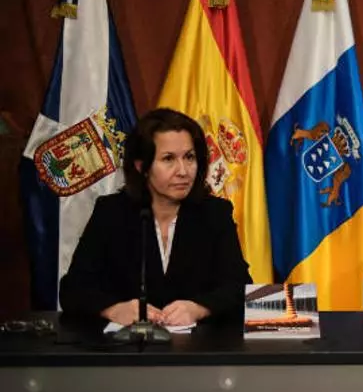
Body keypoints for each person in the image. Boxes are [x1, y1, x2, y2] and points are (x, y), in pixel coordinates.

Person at [59, 108, 252, 327]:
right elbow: (73, 289)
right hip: (128, 345)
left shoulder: (214, 213)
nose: (183, 171)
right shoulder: (112, 213)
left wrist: (199, 308)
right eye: (168, 159)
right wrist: (114, 310)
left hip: (197, 345)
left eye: (189, 157)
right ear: (142, 166)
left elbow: (240, 287)